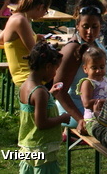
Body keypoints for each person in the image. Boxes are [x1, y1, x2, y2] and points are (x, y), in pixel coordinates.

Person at [53, 0, 107, 134]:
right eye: (85, 27)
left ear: (101, 25)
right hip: (81, 111)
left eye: (95, 27)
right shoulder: (73, 49)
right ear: (77, 26)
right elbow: (58, 90)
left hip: (100, 107)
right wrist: (81, 120)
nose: (90, 32)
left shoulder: (97, 44)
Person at [18, 41, 71, 173]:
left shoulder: (26, 86)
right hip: (42, 148)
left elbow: (34, 106)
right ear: (48, 67)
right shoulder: (40, 92)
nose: (55, 74)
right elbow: (41, 123)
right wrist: (62, 118)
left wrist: (50, 94)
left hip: (29, 146)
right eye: (55, 69)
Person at [0, 0, 51, 86]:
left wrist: (34, 37)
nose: (43, 15)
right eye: (45, 11)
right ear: (40, 7)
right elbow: (35, 53)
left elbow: (0, 40)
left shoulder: (16, 16)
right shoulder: (21, 21)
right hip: (26, 74)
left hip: (25, 72)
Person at [76, 46, 107, 129]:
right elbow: (87, 103)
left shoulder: (105, 79)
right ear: (85, 69)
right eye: (94, 68)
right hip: (93, 120)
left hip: (105, 117)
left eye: (102, 67)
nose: (98, 70)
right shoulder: (88, 83)